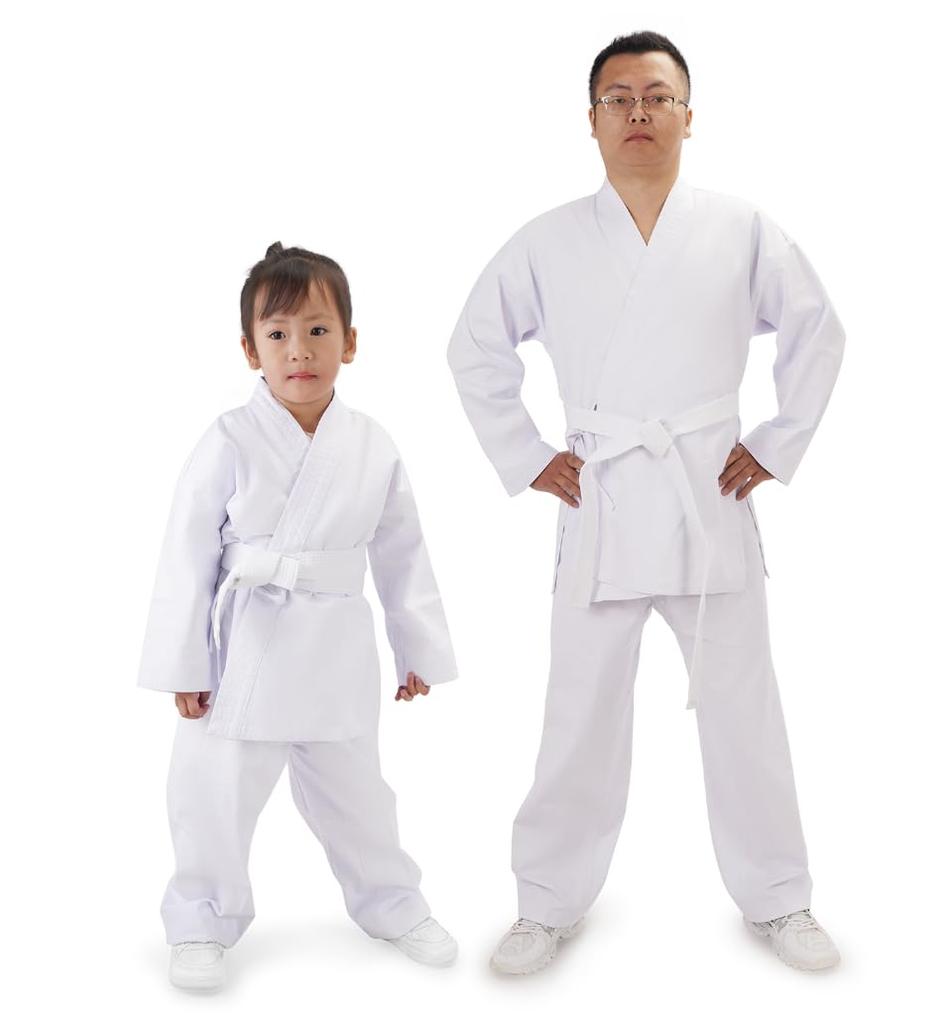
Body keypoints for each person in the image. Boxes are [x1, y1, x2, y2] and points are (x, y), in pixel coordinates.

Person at [446, 31, 845, 974]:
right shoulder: (547, 241)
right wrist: (528, 456)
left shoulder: (742, 228)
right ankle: (546, 902)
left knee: (745, 711)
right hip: (606, 499)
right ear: (590, 120)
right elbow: (473, 347)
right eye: (618, 98)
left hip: (709, 490)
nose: (638, 113)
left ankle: (780, 897)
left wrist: (775, 443)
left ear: (688, 117)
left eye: (657, 97)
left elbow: (819, 330)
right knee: (578, 713)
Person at [137, 242, 459, 990]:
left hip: (335, 649)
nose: (299, 351)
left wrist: (416, 649)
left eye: (317, 330)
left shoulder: (372, 445)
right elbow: (186, 554)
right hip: (244, 650)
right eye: (278, 334)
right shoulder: (228, 438)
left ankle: (394, 904)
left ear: (350, 340)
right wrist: (184, 663)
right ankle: (200, 918)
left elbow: (402, 552)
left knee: (361, 796)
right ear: (250, 350)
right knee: (212, 795)